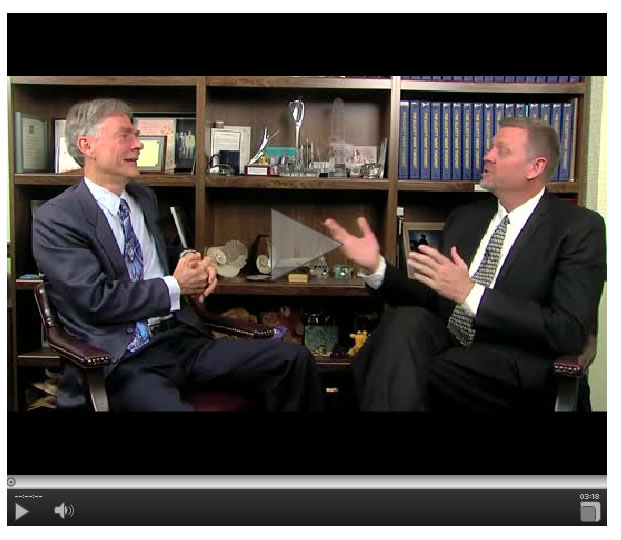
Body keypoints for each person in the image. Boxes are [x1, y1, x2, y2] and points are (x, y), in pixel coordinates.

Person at [33, 98, 324, 411]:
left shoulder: (142, 197)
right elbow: (95, 300)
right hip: (122, 359)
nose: (138, 144)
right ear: (86, 145)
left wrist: (193, 262)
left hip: (178, 341)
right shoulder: (57, 218)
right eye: (124, 136)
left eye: (136, 135)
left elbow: (157, 254)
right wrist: (176, 285)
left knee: (293, 360)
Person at [324, 116, 606, 411]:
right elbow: (434, 300)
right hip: (453, 350)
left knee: (392, 364)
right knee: (405, 324)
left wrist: (471, 294)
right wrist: (376, 268)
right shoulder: (466, 218)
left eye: (502, 150)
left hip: (517, 366)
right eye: (491, 147)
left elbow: (568, 330)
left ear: (535, 167)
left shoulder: (578, 228)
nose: (487, 156)